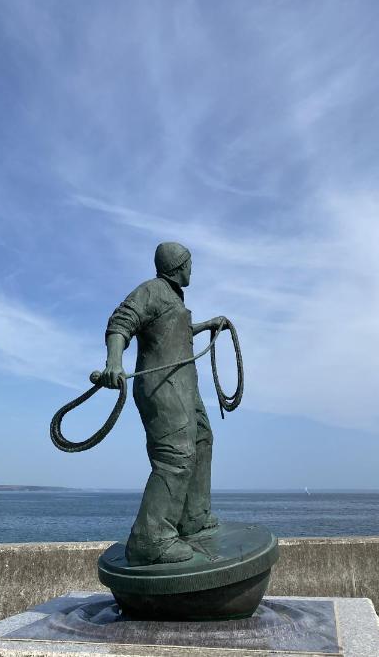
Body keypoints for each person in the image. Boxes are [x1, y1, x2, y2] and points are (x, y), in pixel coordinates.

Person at [101, 242, 225, 565]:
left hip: (186, 386)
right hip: (162, 388)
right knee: (176, 456)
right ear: (177, 266)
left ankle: (192, 516)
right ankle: (150, 538)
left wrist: (206, 326)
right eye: (188, 264)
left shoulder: (173, 298)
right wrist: (114, 361)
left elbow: (172, 330)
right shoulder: (152, 290)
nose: (191, 270)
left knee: (202, 439)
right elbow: (120, 323)